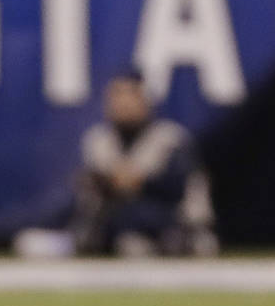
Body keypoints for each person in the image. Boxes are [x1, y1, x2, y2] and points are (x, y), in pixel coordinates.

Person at [71, 70, 218, 257]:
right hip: (121, 221)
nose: (123, 103)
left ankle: (163, 243)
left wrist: (138, 181)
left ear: (146, 100)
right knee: (99, 224)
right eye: (117, 95)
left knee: (143, 216)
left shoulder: (170, 138)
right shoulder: (99, 140)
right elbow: (92, 187)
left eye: (130, 94)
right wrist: (112, 181)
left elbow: (176, 187)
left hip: (173, 221)